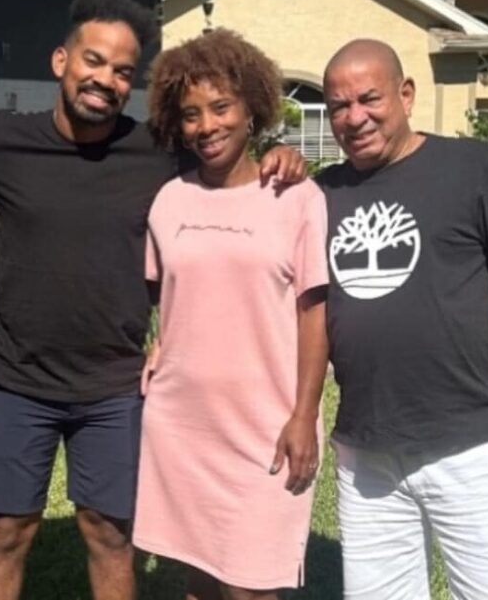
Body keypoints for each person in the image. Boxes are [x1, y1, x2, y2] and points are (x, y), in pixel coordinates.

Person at [0, 0, 307, 600]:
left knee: (107, 533)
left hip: (115, 387)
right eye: (93, 61)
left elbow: (226, 153)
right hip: (21, 380)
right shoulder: (2, 143)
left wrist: (278, 153)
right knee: (6, 533)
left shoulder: (157, 152)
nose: (105, 79)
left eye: (123, 71)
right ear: (60, 62)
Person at [134, 29, 328, 600]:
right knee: (197, 577)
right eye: (191, 114)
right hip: (183, 424)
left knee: (251, 586)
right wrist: (157, 341)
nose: (206, 125)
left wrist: (304, 415)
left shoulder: (295, 198)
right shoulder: (169, 200)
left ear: (252, 110)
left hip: (265, 426)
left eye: (221, 107)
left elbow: (313, 311)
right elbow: (161, 294)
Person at [318, 39, 488, 600]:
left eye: (368, 99)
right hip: (366, 454)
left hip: (471, 445)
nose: (353, 118)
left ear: (406, 94)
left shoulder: (474, 168)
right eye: (337, 106)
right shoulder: (323, 193)